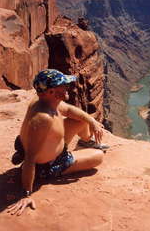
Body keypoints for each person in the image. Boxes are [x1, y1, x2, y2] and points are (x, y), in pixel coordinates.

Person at [7, 69, 108, 216]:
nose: (67, 87)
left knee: (82, 121)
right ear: (51, 92)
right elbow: (30, 159)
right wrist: (26, 194)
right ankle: (62, 165)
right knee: (99, 156)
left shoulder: (45, 101)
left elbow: (68, 110)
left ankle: (85, 143)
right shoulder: (43, 119)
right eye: (63, 85)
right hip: (50, 164)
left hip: (56, 144)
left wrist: (92, 121)